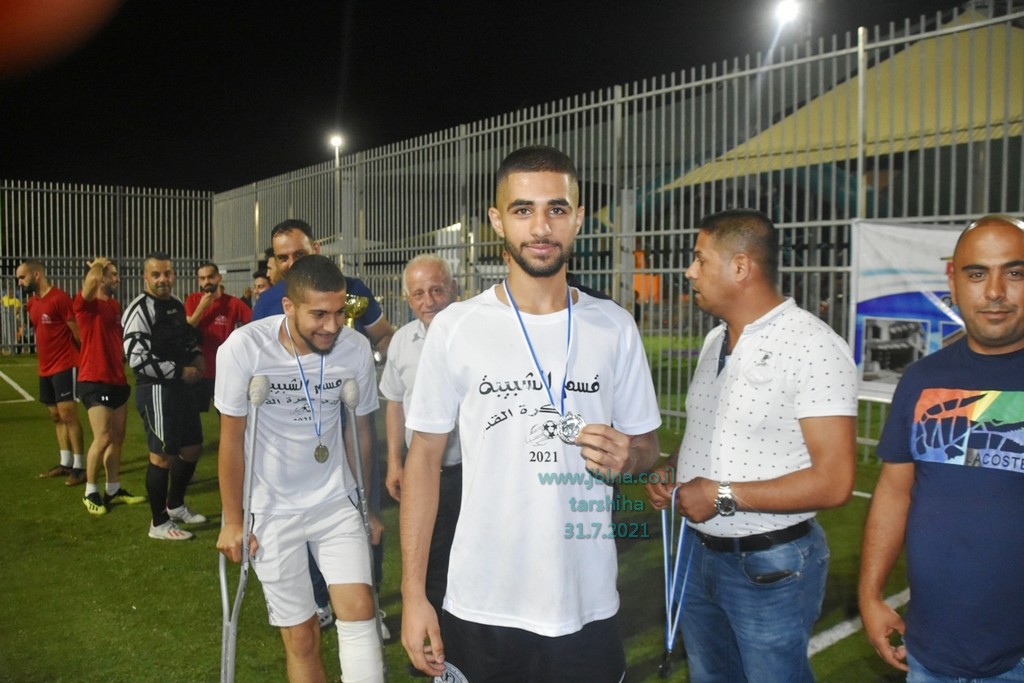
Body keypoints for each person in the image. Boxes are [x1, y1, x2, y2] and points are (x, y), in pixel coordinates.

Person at [400, 145, 662, 680]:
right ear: (497, 220)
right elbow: (423, 459)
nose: (541, 227)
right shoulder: (456, 328)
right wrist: (413, 594)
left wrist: (629, 458)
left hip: (585, 600)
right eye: (523, 210)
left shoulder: (614, 326)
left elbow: (646, 448)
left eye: (556, 209)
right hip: (481, 602)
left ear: (578, 217)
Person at [644, 208, 858, 683]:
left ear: (740, 267)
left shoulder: (813, 346)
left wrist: (722, 495)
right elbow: (709, 431)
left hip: (769, 566)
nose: (689, 271)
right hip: (698, 554)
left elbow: (835, 481)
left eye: (700, 259)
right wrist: (673, 467)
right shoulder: (715, 340)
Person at [858, 214, 1024, 681]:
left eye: (1015, 273)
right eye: (977, 274)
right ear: (953, 283)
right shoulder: (922, 379)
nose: (995, 291)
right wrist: (870, 596)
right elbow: (894, 492)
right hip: (929, 653)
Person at [216, 254, 384, 683]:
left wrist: (366, 506)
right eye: (319, 314)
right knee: (303, 637)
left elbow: (360, 434)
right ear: (289, 307)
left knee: (359, 610)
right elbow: (232, 440)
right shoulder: (244, 348)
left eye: (339, 312)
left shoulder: (354, 348)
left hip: (335, 501)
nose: (332, 326)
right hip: (271, 510)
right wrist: (233, 521)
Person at [252, 218, 394, 632]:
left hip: (348, 421)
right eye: (282, 257)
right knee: (306, 518)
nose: (291, 262)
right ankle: (319, 600)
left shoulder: (351, 291)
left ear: (317, 247)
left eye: (299, 253)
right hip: (296, 434)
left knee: (364, 514)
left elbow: (383, 335)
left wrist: (385, 360)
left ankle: (369, 601)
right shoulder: (269, 302)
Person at [379, 254, 461, 630]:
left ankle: (469, 641)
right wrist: (395, 462)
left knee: (472, 560)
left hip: (473, 471)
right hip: (423, 471)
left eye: (436, 290)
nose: (429, 301)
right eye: (418, 293)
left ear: (454, 289)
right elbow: (395, 403)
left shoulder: (476, 335)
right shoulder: (401, 341)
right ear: (408, 299)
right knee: (426, 562)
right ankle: (435, 641)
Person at [122, 252, 207, 541]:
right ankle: (158, 523)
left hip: (182, 388)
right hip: (157, 389)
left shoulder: (176, 304)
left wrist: (196, 356)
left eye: (167, 273)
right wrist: (179, 371)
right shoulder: (139, 310)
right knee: (162, 456)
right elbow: (137, 359)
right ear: (145, 277)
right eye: (156, 274)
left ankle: (175, 504)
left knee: (192, 447)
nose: (163, 279)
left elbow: (185, 338)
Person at [74, 258, 146, 514]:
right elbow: (90, 282)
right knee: (103, 437)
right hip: (95, 380)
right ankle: (90, 491)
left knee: (116, 438)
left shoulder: (114, 306)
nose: (118, 279)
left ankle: (113, 488)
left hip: (117, 379)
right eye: (113, 274)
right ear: (101, 277)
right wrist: (97, 265)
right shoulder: (86, 305)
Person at [15, 259, 86, 486]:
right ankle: (65, 463)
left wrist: (84, 360)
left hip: (64, 365)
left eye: (22, 277)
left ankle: (80, 466)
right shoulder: (31, 303)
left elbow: (77, 333)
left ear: (36, 274)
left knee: (68, 415)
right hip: (45, 368)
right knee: (56, 416)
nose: (20, 282)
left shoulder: (59, 299)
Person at [184, 261, 252, 413]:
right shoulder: (193, 300)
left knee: (227, 413)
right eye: (202, 278)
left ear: (219, 278)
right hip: (199, 368)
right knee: (191, 415)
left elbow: (254, 323)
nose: (206, 281)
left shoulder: (234, 303)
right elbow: (188, 328)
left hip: (224, 370)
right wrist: (202, 307)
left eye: (210, 277)